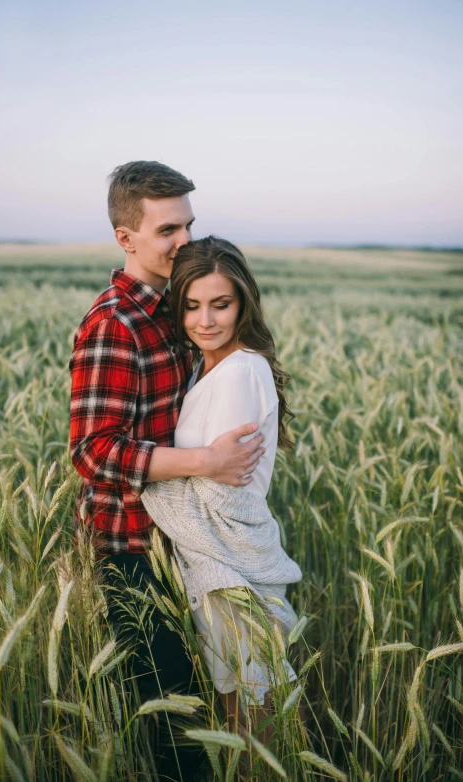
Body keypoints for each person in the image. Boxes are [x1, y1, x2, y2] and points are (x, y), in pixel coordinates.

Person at [68, 161, 265, 780]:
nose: (184, 241)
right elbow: (93, 450)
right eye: (167, 231)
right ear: (126, 239)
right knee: (174, 730)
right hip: (131, 551)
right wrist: (208, 461)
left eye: (189, 225)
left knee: (203, 709)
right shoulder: (114, 324)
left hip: (182, 543)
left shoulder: (176, 311)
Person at [141, 235, 302, 744]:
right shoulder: (208, 366)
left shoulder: (237, 372)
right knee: (246, 717)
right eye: (190, 305)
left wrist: (146, 478)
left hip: (230, 569)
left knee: (253, 726)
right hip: (218, 568)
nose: (205, 320)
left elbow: (221, 497)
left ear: (243, 304)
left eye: (220, 304)